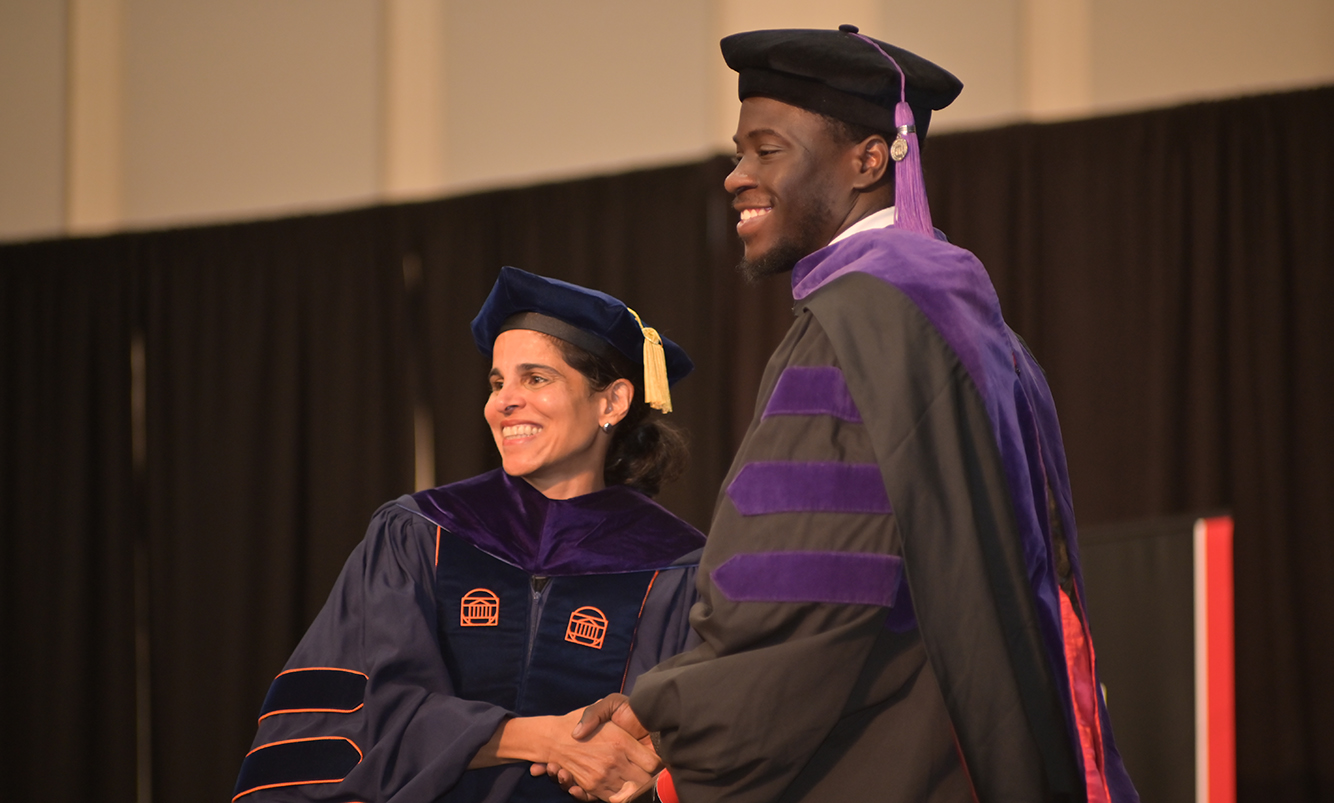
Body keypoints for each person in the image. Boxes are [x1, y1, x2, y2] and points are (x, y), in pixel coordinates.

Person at [559, 26, 1139, 803]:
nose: (736, 177)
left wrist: (668, 721)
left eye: (767, 151)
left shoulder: (857, 323)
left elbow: (799, 595)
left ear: (870, 159)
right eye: (739, 153)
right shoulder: (968, 319)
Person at [232, 266, 704, 803]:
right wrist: (545, 739)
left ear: (612, 403)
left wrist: (652, 766)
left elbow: (692, 745)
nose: (503, 402)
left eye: (536, 378)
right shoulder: (421, 534)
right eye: (498, 382)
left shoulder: (676, 567)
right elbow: (361, 717)